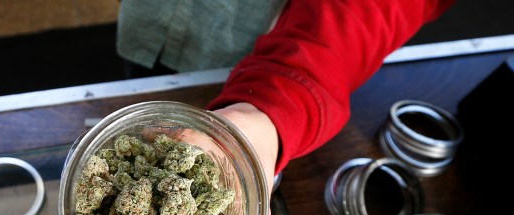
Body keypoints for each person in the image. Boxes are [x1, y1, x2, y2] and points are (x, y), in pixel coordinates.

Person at [121, 0, 457, 189]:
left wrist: (268, 112)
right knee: (140, 114)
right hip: (157, 20)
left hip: (270, 56)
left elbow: (372, 11)